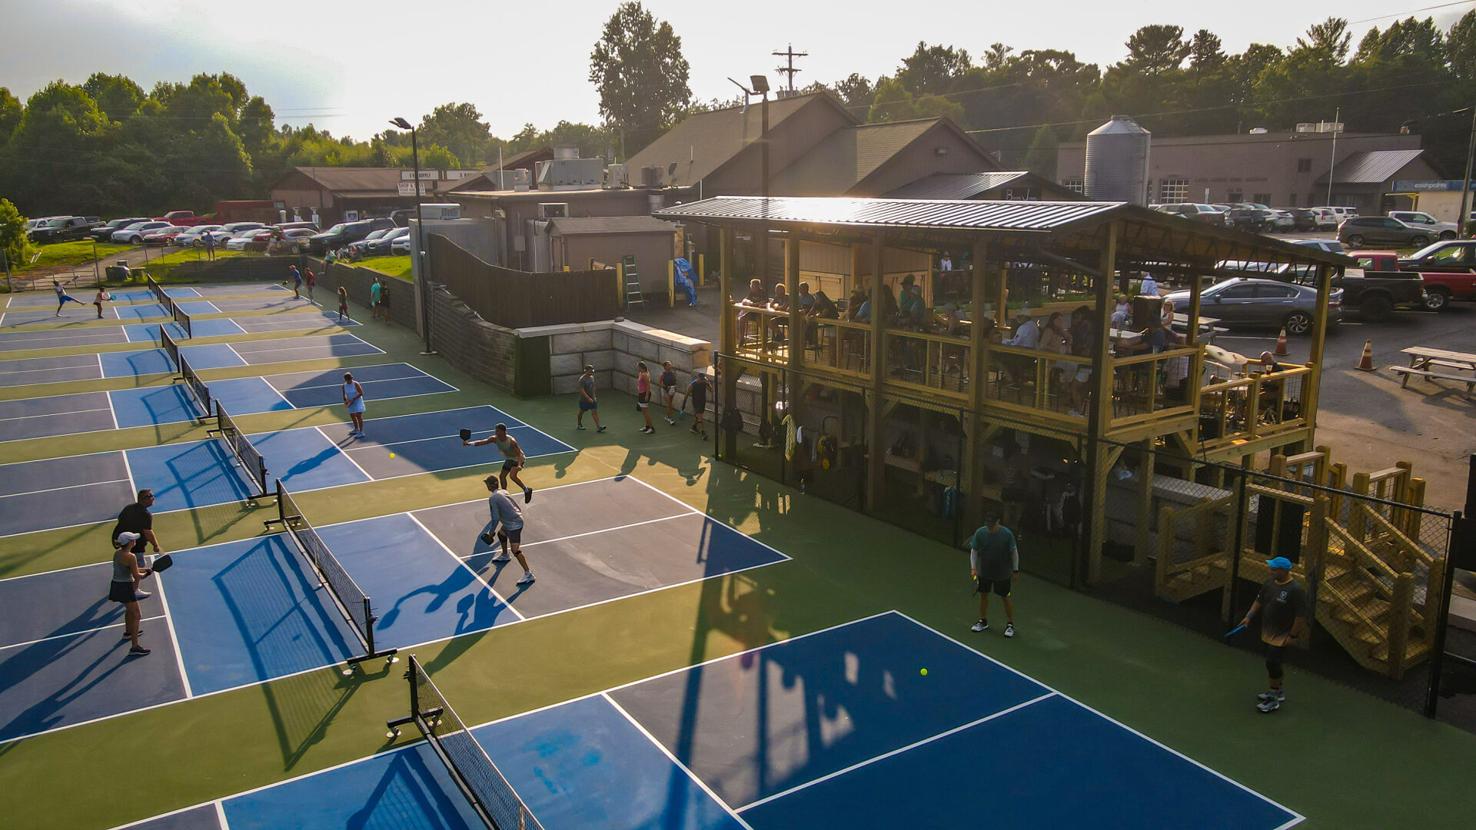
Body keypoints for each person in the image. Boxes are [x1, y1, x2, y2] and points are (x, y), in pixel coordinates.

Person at [1236, 556, 1309, 713]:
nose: (1270, 571)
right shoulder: (1269, 583)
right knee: (1272, 663)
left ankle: (1274, 698)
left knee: (1272, 662)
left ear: (1284, 571)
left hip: (1282, 635)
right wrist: (1248, 617)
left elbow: (1300, 616)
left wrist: (1293, 636)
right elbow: (1259, 601)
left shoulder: (1295, 590)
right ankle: (1278, 690)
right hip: (1268, 631)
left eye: (1274, 569)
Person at [969, 510, 1019, 638]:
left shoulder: (1007, 534)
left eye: (992, 523)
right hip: (985, 571)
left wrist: (1015, 570)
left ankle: (1010, 624)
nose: (989, 526)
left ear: (998, 522)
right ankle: (983, 621)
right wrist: (973, 568)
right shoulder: (980, 533)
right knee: (983, 596)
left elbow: (1014, 553)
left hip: (1002, 573)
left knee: (1005, 597)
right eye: (987, 523)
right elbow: (974, 551)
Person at [481, 476, 535, 586]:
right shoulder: (503, 491)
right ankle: (505, 555)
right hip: (513, 520)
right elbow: (516, 506)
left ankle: (528, 574)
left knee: (515, 550)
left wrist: (491, 532)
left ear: (492, 485)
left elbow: (495, 518)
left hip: (514, 524)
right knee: (501, 534)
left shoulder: (493, 498)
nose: (487, 486)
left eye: (488, 484)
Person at [464, 423, 533, 503]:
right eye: (496, 431)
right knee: (502, 476)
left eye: (498, 431)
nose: (496, 432)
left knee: (512, 476)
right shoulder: (494, 439)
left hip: (518, 459)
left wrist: (519, 465)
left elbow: (519, 454)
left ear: (503, 431)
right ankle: (505, 494)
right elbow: (482, 442)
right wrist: (469, 443)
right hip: (509, 459)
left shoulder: (511, 441)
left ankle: (527, 490)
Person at [110, 532, 154, 656]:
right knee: (137, 615)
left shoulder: (117, 553)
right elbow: (137, 575)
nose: (135, 541)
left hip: (116, 586)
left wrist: (145, 570)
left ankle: (128, 632)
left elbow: (131, 568)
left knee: (129, 610)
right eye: (133, 539)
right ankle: (134, 647)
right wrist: (146, 574)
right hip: (125, 588)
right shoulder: (131, 556)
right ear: (130, 542)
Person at [112, 490, 161, 599]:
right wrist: (155, 545)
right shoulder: (146, 514)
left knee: (125, 562)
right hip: (135, 545)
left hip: (121, 540)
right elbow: (148, 532)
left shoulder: (128, 508)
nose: (153, 498)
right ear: (143, 499)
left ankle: (124, 582)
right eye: (150, 496)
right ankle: (134, 590)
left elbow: (120, 519)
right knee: (138, 565)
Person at [577, 364, 605, 432]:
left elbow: (593, 387)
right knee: (581, 412)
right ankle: (579, 424)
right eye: (590, 371)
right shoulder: (582, 379)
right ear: (586, 371)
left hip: (592, 399)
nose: (591, 373)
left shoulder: (592, 377)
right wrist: (588, 398)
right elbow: (581, 390)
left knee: (594, 412)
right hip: (584, 400)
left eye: (592, 371)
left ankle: (598, 427)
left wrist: (593, 396)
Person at [687, 370, 712, 439]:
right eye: (700, 379)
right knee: (700, 417)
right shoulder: (693, 384)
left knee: (698, 416)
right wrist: (684, 404)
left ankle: (694, 427)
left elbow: (711, 390)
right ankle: (703, 432)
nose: (701, 380)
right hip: (696, 402)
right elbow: (687, 393)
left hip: (702, 402)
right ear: (698, 378)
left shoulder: (704, 383)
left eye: (702, 379)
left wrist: (708, 383)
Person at [342, 372, 366, 437]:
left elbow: (361, 393)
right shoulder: (344, 385)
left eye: (350, 379)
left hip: (358, 402)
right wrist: (346, 401)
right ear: (345, 380)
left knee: (358, 416)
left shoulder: (356, 384)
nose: (350, 380)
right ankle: (356, 429)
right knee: (352, 415)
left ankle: (361, 432)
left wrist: (353, 399)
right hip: (350, 402)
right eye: (348, 380)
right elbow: (344, 395)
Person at [636, 361, 655, 433]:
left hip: (644, 394)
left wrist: (646, 395)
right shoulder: (641, 373)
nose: (637, 368)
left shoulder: (644, 375)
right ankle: (647, 426)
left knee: (646, 412)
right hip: (641, 394)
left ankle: (651, 428)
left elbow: (648, 385)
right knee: (644, 412)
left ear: (641, 367)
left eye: (638, 367)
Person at [659, 360, 680, 425]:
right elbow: (660, 383)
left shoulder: (673, 373)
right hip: (665, 391)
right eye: (668, 365)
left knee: (670, 403)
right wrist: (666, 387)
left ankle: (668, 416)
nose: (670, 366)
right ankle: (670, 418)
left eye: (670, 364)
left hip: (672, 390)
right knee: (669, 404)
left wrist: (674, 387)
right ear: (665, 367)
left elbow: (675, 382)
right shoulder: (663, 374)